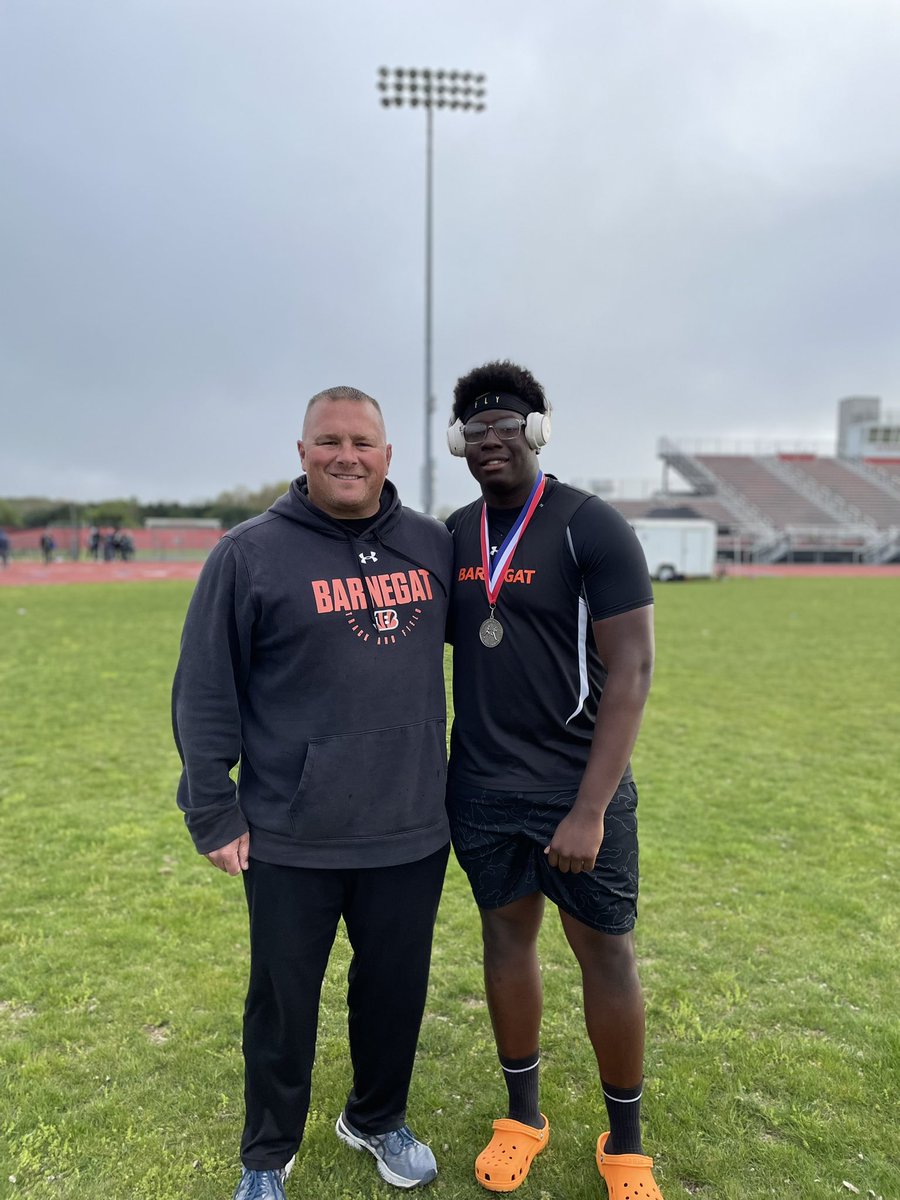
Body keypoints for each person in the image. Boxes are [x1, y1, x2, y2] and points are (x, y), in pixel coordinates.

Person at [173, 386, 453, 1200]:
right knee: (283, 1001)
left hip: (408, 825)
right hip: (292, 829)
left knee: (395, 991)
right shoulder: (249, 553)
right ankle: (267, 1155)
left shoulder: (432, 546)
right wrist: (211, 808)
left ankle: (375, 1117)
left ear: (387, 454)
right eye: (328, 440)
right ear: (301, 453)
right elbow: (203, 688)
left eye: (362, 441)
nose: (346, 455)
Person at [444, 361, 664, 1199]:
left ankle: (626, 1143)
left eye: (507, 425)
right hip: (483, 792)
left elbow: (635, 670)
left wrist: (591, 808)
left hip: (577, 795)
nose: (490, 440)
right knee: (507, 943)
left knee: (605, 953)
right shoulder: (454, 533)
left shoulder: (589, 525)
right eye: (475, 429)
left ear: (537, 431)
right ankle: (523, 1118)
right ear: (457, 442)